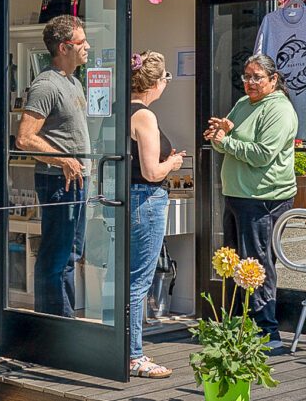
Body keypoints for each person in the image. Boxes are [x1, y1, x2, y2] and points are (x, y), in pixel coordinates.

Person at [203, 53, 298, 349]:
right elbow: (231, 134)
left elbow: (262, 154)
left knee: (256, 265)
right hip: (237, 196)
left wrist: (226, 142)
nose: (250, 82)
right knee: (236, 264)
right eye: (247, 76)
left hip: (263, 199)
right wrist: (224, 132)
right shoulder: (244, 103)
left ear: (273, 79)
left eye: (257, 77)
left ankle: (268, 332)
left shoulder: (279, 109)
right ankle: (242, 324)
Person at [16, 14, 91, 317]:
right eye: (81, 42)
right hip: (59, 181)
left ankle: (63, 322)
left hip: (76, 180)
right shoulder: (46, 85)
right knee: (57, 256)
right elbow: (24, 138)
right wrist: (62, 159)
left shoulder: (72, 82)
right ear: (64, 47)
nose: (88, 46)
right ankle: (56, 328)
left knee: (70, 254)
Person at [128, 51, 185, 378]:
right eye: (165, 78)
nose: (166, 84)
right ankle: (135, 355)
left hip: (129, 198)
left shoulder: (122, 110)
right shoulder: (145, 116)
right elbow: (151, 172)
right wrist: (173, 164)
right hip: (147, 199)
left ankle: (124, 349)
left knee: (128, 278)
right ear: (155, 83)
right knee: (139, 280)